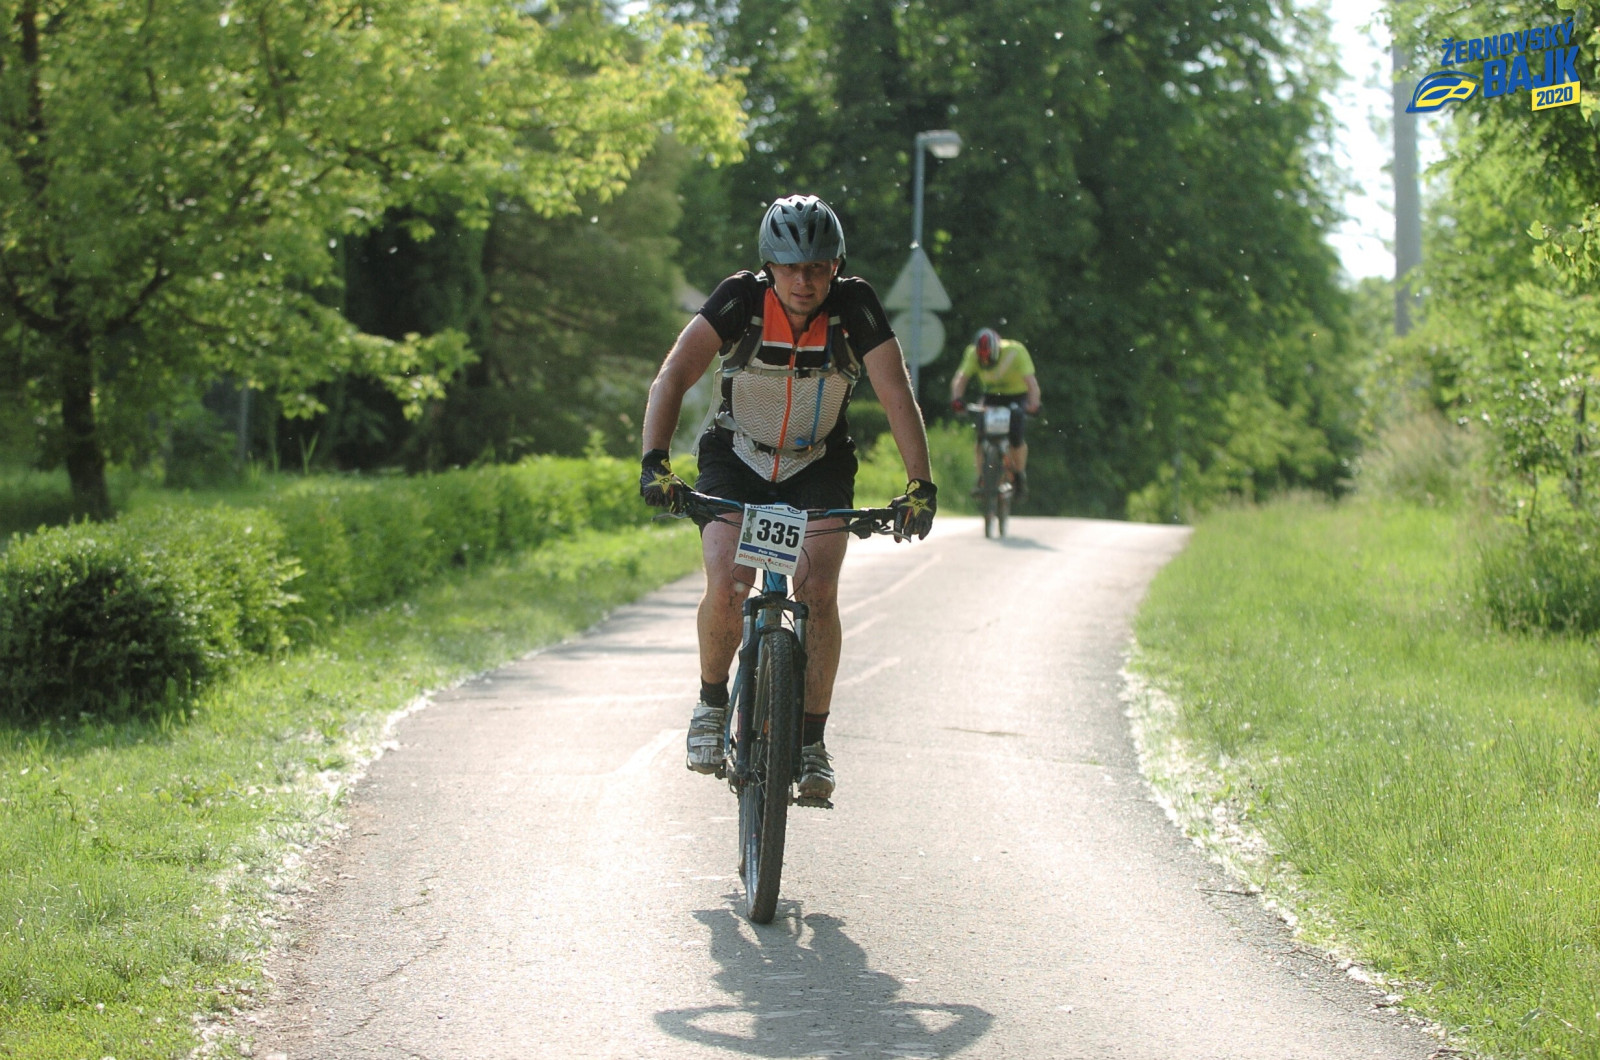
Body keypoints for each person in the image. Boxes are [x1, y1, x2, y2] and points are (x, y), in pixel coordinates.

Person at [637, 194, 937, 801]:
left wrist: (920, 484)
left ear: (836, 267)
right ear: (769, 267)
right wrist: (655, 463)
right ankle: (711, 704)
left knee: (819, 592)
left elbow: (895, 393)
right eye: (792, 267)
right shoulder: (739, 300)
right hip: (737, 455)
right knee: (729, 581)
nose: (805, 281)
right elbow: (673, 377)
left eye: (818, 267)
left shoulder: (855, 307)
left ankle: (811, 741)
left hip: (817, 462)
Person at [949, 326, 1041, 500]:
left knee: (1016, 438)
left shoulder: (1015, 351)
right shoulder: (972, 353)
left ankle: (1019, 475)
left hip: (1016, 396)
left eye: (989, 359)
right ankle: (982, 478)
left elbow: (1031, 383)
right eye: (982, 359)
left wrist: (1034, 404)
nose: (985, 363)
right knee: (980, 437)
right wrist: (957, 399)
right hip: (991, 396)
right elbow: (961, 378)